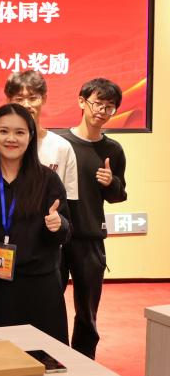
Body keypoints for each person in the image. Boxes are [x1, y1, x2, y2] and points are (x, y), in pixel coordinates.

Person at [0, 104, 71, 342]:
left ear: (30, 136)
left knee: (40, 357)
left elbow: (65, 232)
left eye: (19, 132)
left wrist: (58, 225)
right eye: (4, 131)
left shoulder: (47, 179)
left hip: (38, 287)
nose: (11, 139)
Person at [58, 78, 128, 359]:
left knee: (87, 312)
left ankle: (85, 364)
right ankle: (52, 359)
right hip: (56, 237)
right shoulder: (59, 143)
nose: (102, 111)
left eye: (109, 107)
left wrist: (111, 182)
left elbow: (118, 196)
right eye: (97, 103)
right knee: (49, 304)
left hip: (90, 240)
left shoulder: (113, 150)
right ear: (81, 101)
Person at [0, 71, 78, 204]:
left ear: (44, 99)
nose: (26, 105)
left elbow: (70, 202)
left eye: (33, 98)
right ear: (8, 101)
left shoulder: (62, 147)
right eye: (19, 99)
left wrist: (59, 217)